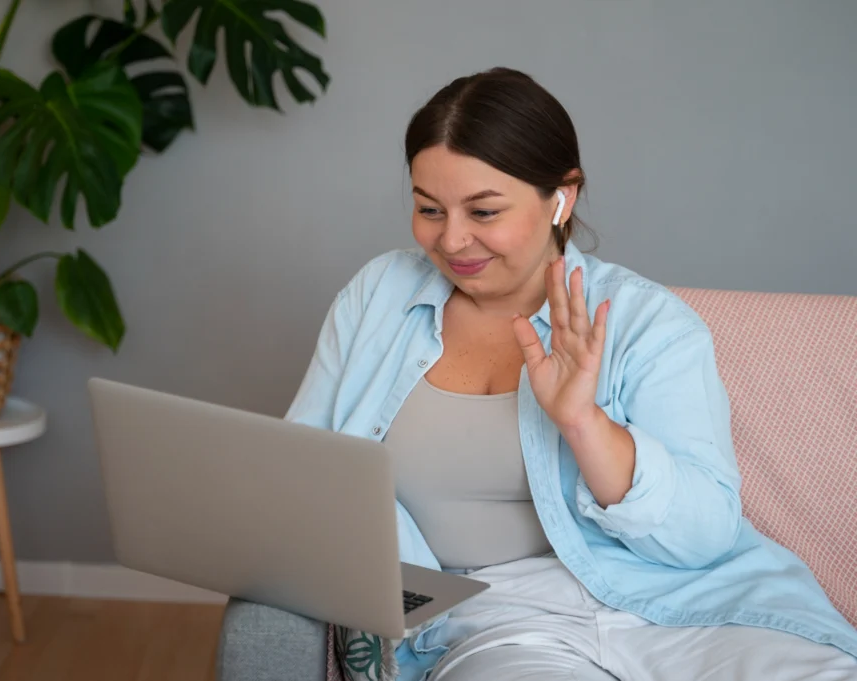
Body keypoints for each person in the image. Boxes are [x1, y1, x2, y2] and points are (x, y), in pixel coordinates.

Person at [285, 67, 857, 680]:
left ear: (562, 197)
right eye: (429, 208)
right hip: (505, 625)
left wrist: (584, 424)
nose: (451, 239)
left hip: (698, 610)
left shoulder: (649, 323)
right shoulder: (378, 299)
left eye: (483, 211)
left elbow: (705, 538)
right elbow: (297, 472)